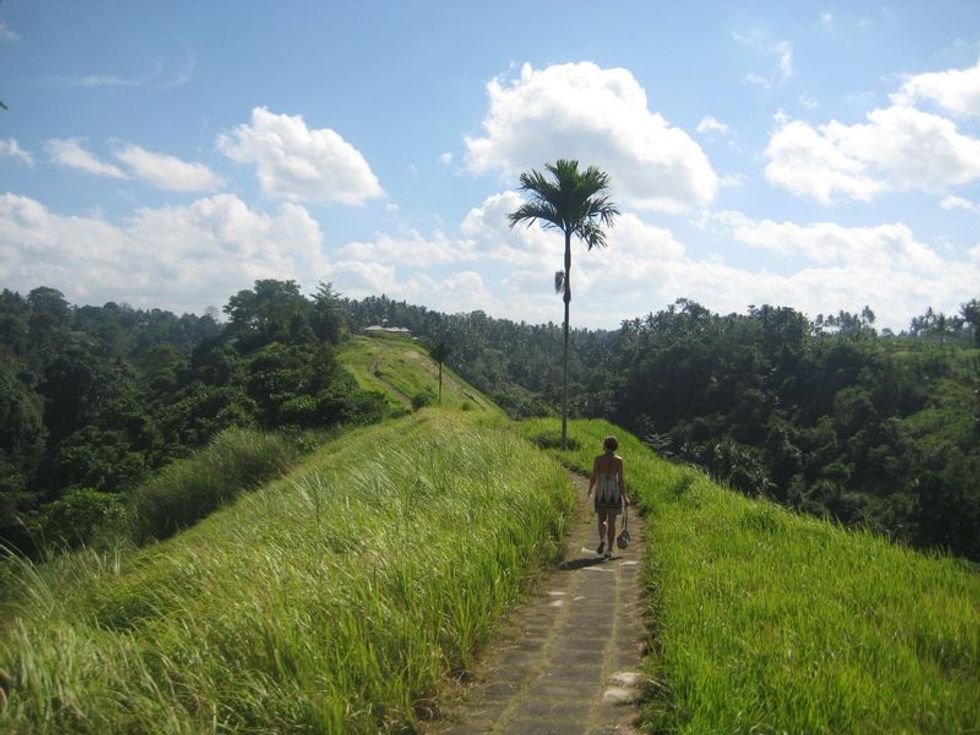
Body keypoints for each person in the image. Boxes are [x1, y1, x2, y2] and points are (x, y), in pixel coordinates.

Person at [588, 435, 629, 556]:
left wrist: (590, 489)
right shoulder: (619, 461)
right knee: (612, 522)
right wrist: (625, 497)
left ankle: (602, 540)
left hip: (601, 490)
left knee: (601, 520)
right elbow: (621, 480)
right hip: (613, 491)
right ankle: (610, 550)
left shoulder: (598, 459)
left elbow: (594, 476)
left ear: (605, 446)